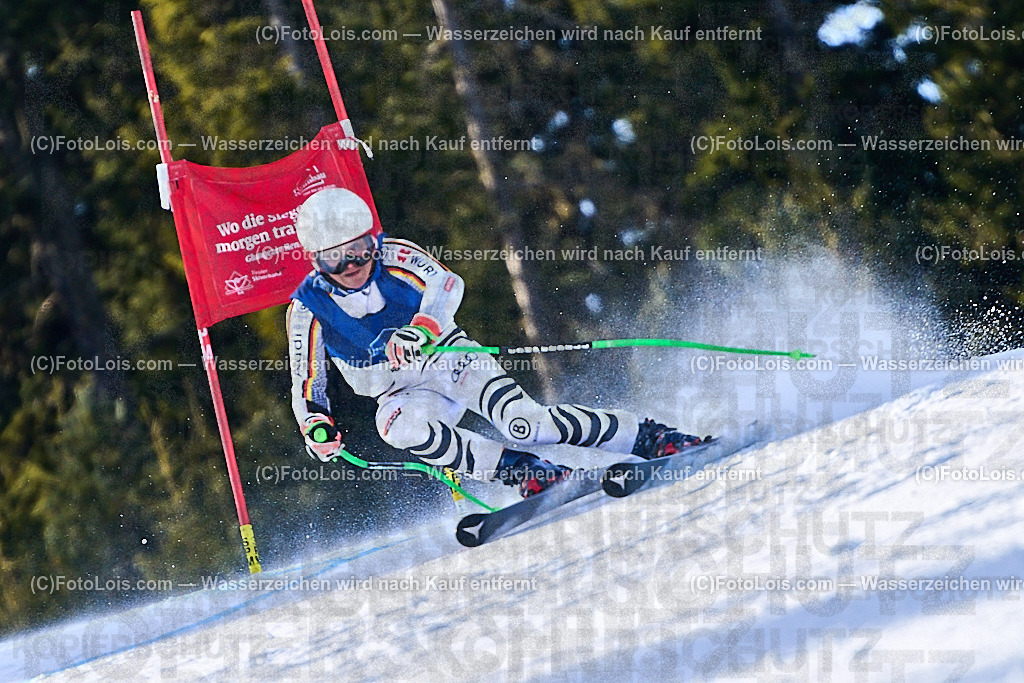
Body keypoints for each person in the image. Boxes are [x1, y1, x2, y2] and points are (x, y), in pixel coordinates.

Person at [286, 188, 704, 498]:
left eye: (359, 250)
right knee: (394, 426)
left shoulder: (396, 258)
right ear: (315, 261)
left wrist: (420, 329)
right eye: (335, 259)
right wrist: (315, 425)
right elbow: (308, 382)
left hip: (447, 358)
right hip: (399, 392)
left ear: (372, 242)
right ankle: (525, 470)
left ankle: (648, 437)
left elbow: (447, 284)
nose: (352, 266)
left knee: (527, 424)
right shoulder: (307, 309)